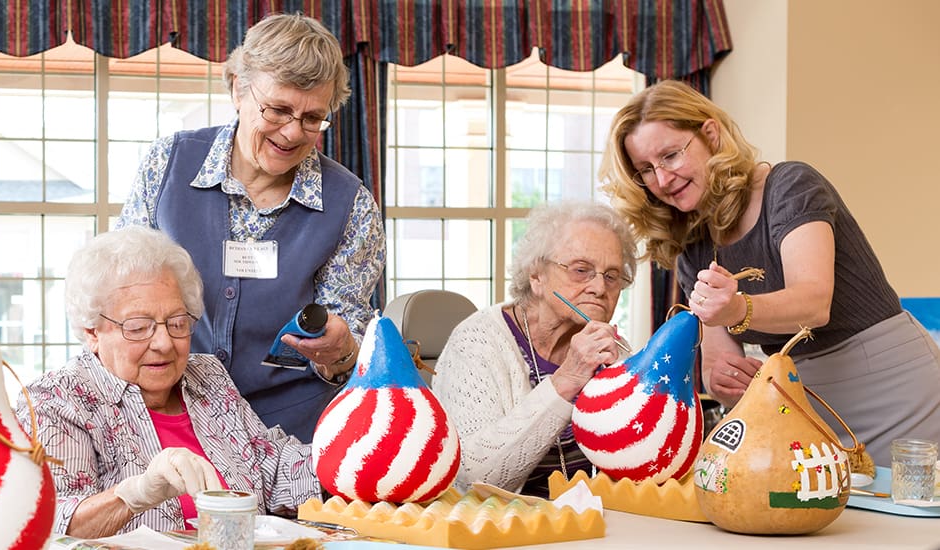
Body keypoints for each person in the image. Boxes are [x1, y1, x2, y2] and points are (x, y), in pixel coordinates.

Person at [601, 80, 940, 465]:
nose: (662, 179)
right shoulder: (692, 249)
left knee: (910, 520)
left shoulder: (791, 186)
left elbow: (813, 302)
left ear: (710, 135)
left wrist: (736, 309)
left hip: (892, 387)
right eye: (646, 169)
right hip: (801, 401)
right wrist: (722, 380)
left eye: (671, 156)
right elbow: (716, 360)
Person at [116, 13, 384, 443]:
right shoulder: (169, 165)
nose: (293, 132)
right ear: (239, 87)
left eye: (313, 118)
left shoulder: (350, 205)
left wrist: (342, 351)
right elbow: (122, 288)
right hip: (167, 426)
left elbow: (349, 350)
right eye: (278, 109)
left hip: (292, 441)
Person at [14, 227, 318, 538]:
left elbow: (275, 469)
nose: (163, 343)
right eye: (138, 327)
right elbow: (50, 524)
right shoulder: (57, 400)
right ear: (92, 331)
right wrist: (136, 493)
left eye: (177, 323)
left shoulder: (208, 377)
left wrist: (347, 454)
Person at [431, 202, 636, 497]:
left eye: (612, 276)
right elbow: (473, 480)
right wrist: (566, 381)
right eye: (581, 270)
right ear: (536, 275)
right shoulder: (477, 341)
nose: (599, 288)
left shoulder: (612, 350)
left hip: (593, 529)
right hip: (503, 531)